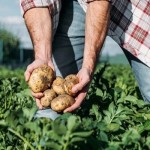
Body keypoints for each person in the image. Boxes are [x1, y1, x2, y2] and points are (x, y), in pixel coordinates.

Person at [20, 0, 150, 120]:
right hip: (74, 6)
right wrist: (43, 56)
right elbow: (35, 1)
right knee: (51, 107)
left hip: (132, 6)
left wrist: (88, 66)